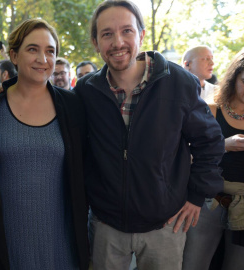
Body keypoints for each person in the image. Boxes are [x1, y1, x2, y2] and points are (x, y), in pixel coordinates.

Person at [73, 1, 224, 269]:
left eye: (127, 31)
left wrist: (196, 197)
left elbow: (209, 142)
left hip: (166, 224)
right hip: (106, 224)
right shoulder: (86, 90)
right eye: (107, 34)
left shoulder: (178, 82)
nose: (118, 42)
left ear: (141, 35)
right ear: (96, 42)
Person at [0, 18, 89, 270]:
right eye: (33, 49)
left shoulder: (72, 106)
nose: (43, 59)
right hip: (8, 237)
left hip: (61, 235)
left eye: (50, 51)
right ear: (14, 55)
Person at [183, 43, 244, 270]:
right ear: (234, 77)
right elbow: (184, 159)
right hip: (208, 201)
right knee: (192, 265)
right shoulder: (211, 109)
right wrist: (223, 145)